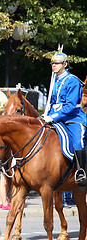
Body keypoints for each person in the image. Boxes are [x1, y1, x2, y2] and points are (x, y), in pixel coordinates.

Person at [43, 46, 87, 187]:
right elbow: (52, 102)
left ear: (65, 64)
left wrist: (53, 117)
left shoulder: (72, 81)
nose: (54, 66)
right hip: (57, 118)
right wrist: (46, 115)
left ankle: (81, 172)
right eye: (52, 64)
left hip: (73, 118)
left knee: (78, 142)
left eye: (57, 64)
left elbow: (70, 106)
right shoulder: (54, 81)